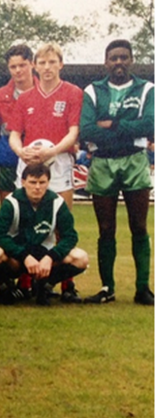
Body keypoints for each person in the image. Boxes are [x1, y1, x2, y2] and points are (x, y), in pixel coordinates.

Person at [79, 39, 156, 306]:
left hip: (134, 160)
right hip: (102, 163)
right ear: (106, 62)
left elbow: (149, 124)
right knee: (106, 228)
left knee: (138, 226)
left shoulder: (147, 89)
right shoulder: (93, 90)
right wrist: (127, 126)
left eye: (124, 57)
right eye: (114, 58)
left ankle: (143, 288)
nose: (119, 63)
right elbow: (86, 129)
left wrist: (111, 124)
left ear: (131, 60)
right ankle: (106, 287)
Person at [0, 163, 89, 306]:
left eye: (42, 182)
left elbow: (70, 236)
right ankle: (5, 287)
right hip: (17, 258)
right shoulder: (11, 202)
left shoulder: (57, 203)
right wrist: (24, 256)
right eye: (33, 182)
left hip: (44, 257)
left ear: (48, 183)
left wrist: (50, 257)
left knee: (81, 258)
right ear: (23, 182)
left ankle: (45, 286)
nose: (37, 187)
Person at [7, 43, 82, 206]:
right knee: (26, 219)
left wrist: (52, 151)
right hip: (29, 160)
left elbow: (73, 132)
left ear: (61, 64)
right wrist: (21, 152)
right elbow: (14, 135)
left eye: (52, 62)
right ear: (34, 66)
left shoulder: (73, 93)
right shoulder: (25, 98)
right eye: (42, 63)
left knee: (62, 221)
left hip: (59, 159)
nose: (47, 67)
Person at [0, 45, 36, 201]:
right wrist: (0, 154)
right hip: (8, 160)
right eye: (13, 67)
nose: (17, 70)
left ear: (32, 64)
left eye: (22, 65)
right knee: (9, 209)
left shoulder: (46, 92)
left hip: (38, 157)